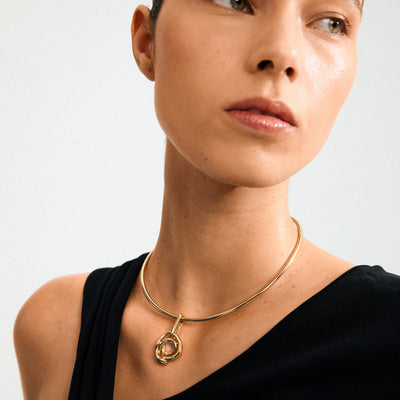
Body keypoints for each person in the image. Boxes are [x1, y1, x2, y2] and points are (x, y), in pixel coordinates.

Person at [14, 0, 400, 399]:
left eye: (331, 22)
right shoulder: (60, 329)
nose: (283, 54)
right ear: (147, 42)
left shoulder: (388, 339)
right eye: (235, 2)